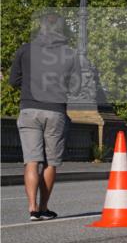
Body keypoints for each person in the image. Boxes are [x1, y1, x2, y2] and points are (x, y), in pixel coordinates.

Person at [8, 13, 80, 221]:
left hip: (29, 109)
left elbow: (13, 81)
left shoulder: (25, 50)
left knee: (31, 161)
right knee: (50, 162)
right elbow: (76, 87)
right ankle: (44, 207)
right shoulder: (70, 54)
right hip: (55, 111)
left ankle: (32, 208)